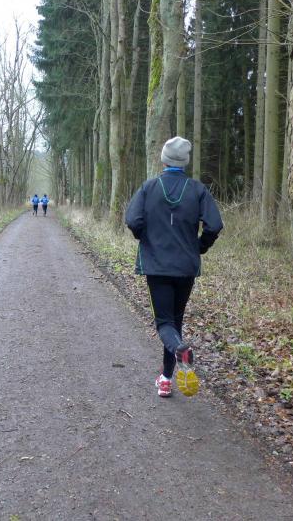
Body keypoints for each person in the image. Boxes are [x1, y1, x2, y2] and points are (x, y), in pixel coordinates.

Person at [125, 136, 223, 398]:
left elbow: (132, 220)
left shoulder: (149, 187)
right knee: (175, 321)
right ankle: (167, 378)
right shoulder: (197, 189)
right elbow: (214, 225)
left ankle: (178, 356)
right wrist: (200, 246)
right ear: (185, 161)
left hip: (157, 266)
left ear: (164, 160)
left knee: (165, 323)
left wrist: (145, 238)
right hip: (186, 267)